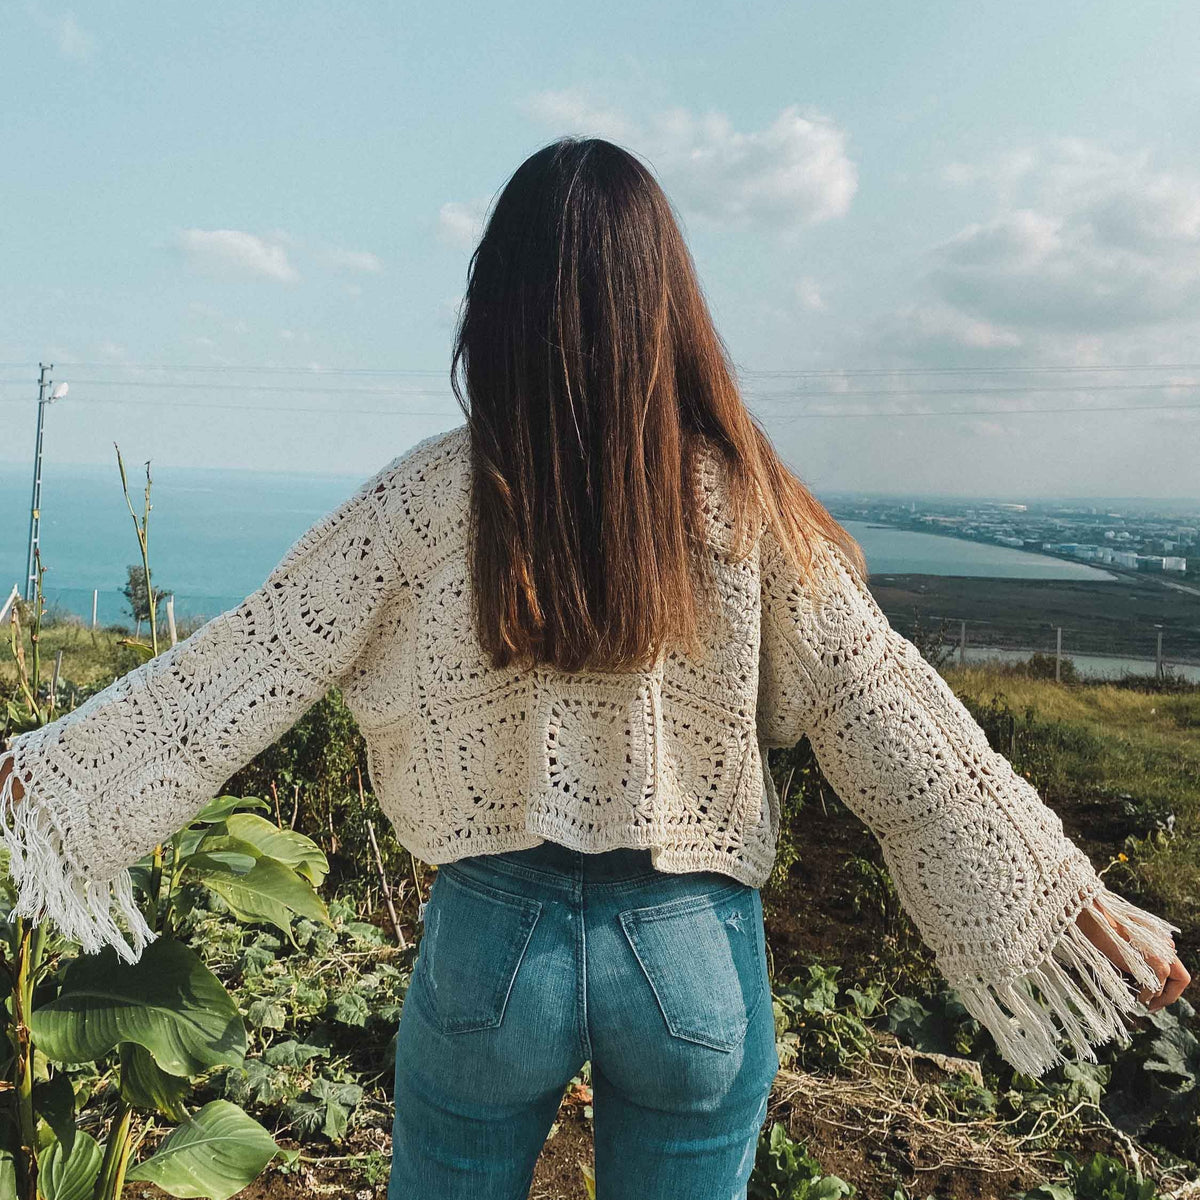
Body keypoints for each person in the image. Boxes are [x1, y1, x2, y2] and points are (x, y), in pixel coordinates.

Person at [0, 137, 1189, 1200]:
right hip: (690, 955)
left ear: (494, 306)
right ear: (667, 308)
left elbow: (235, 676)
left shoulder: (424, 498)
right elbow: (895, 725)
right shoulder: (745, 503)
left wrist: (41, 783)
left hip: (489, 946)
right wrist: (1070, 903)